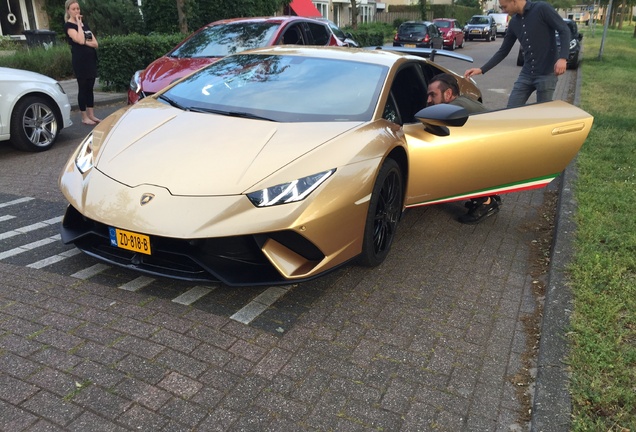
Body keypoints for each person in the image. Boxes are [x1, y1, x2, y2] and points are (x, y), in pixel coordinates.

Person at [464, 0, 570, 108]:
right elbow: (503, 51)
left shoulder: (541, 9)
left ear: (514, 1)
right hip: (527, 74)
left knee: (542, 114)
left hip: (546, 73)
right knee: (511, 110)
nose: (504, 11)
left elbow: (564, 29)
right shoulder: (514, 22)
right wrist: (482, 69)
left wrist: (563, 58)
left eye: (504, 7)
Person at [427, 73, 501, 224]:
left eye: (432, 95)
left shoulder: (453, 108)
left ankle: (486, 202)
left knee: (450, 160)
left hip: (494, 155)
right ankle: (490, 194)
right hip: (495, 149)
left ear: (448, 94)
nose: (428, 100)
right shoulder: (462, 101)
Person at [64, 0, 101, 125]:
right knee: (83, 87)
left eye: (78, 9)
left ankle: (92, 115)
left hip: (90, 60)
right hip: (80, 61)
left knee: (90, 87)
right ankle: (84, 116)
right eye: (73, 9)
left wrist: (85, 40)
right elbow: (79, 40)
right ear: (68, 10)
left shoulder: (85, 26)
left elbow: (95, 43)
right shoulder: (69, 26)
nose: (76, 11)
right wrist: (79, 24)